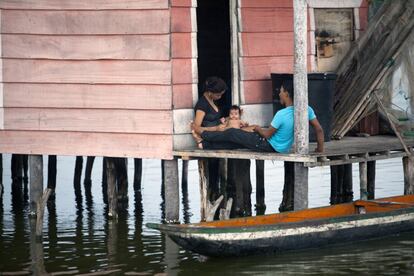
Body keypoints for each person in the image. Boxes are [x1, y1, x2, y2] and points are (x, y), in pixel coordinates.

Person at [191, 80, 325, 153]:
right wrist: (320, 149)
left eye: (282, 91)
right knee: (236, 141)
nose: (279, 94)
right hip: (282, 147)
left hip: (268, 145)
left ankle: (204, 135)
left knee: (232, 132)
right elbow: (319, 129)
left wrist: (257, 128)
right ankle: (206, 145)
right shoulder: (307, 109)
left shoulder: (281, 114)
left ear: (287, 94)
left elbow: (267, 135)